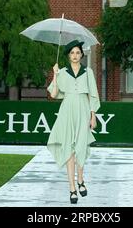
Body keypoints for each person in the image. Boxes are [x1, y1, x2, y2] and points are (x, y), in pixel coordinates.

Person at [47, 39, 100, 204]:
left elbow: (93, 94)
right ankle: (72, 188)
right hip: (67, 111)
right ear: (68, 56)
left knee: (81, 147)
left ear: (82, 54)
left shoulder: (88, 72)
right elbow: (54, 94)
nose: (75, 55)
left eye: (78, 52)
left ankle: (81, 179)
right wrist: (55, 75)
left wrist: (93, 116)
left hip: (83, 110)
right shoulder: (62, 72)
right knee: (69, 150)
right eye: (72, 53)